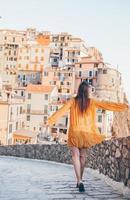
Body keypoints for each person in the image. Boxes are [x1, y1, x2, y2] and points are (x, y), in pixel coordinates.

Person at [46, 81, 129, 192]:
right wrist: (123, 106)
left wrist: (51, 120)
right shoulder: (92, 102)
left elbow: (61, 111)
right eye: (90, 90)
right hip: (86, 134)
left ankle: (79, 180)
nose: (91, 92)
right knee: (83, 157)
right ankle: (81, 180)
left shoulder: (72, 101)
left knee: (75, 155)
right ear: (86, 91)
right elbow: (107, 105)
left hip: (75, 133)